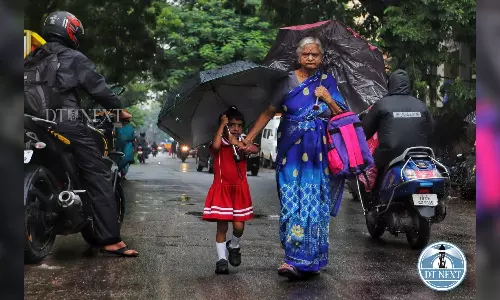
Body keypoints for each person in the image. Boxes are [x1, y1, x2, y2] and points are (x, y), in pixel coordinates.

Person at [242, 37, 347, 279]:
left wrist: (328, 99)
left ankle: (301, 261)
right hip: (290, 153)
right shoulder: (286, 82)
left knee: (314, 205)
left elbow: (341, 114)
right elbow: (269, 111)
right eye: (306, 54)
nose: (310, 58)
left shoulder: (327, 82)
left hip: (317, 156)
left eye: (315, 55)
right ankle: (294, 255)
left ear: (321, 58)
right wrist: (250, 137)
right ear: (298, 57)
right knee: (291, 205)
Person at [40, 11, 138, 256]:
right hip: (66, 122)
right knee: (99, 173)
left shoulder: (32, 58)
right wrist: (120, 111)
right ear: (69, 31)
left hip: (31, 123)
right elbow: (99, 89)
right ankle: (111, 240)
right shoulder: (74, 58)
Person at [202, 106, 258, 274]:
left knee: (239, 226)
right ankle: (221, 260)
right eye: (232, 124)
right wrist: (221, 126)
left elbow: (254, 149)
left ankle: (234, 245)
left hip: (239, 190)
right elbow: (216, 146)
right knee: (222, 227)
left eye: (239, 125)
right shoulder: (219, 140)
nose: (235, 128)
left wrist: (240, 144)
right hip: (222, 189)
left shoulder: (243, 140)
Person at [361, 69, 434, 197]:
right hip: (419, 153)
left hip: (389, 153)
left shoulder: (382, 104)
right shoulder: (421, 105)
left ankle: (374, 200)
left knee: (373, 175)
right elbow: (431, 129)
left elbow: (365, 131)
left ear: (390, 84)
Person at [115, 112, 136, 180]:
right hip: (119, 144)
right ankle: (121, 172)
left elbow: (133, 137)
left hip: (128, 145)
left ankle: (122, 173)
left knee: (126, 159)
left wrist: (134, 146)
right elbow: (114, 135)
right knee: (119, 159)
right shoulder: (117, 125)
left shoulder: (130, 127)